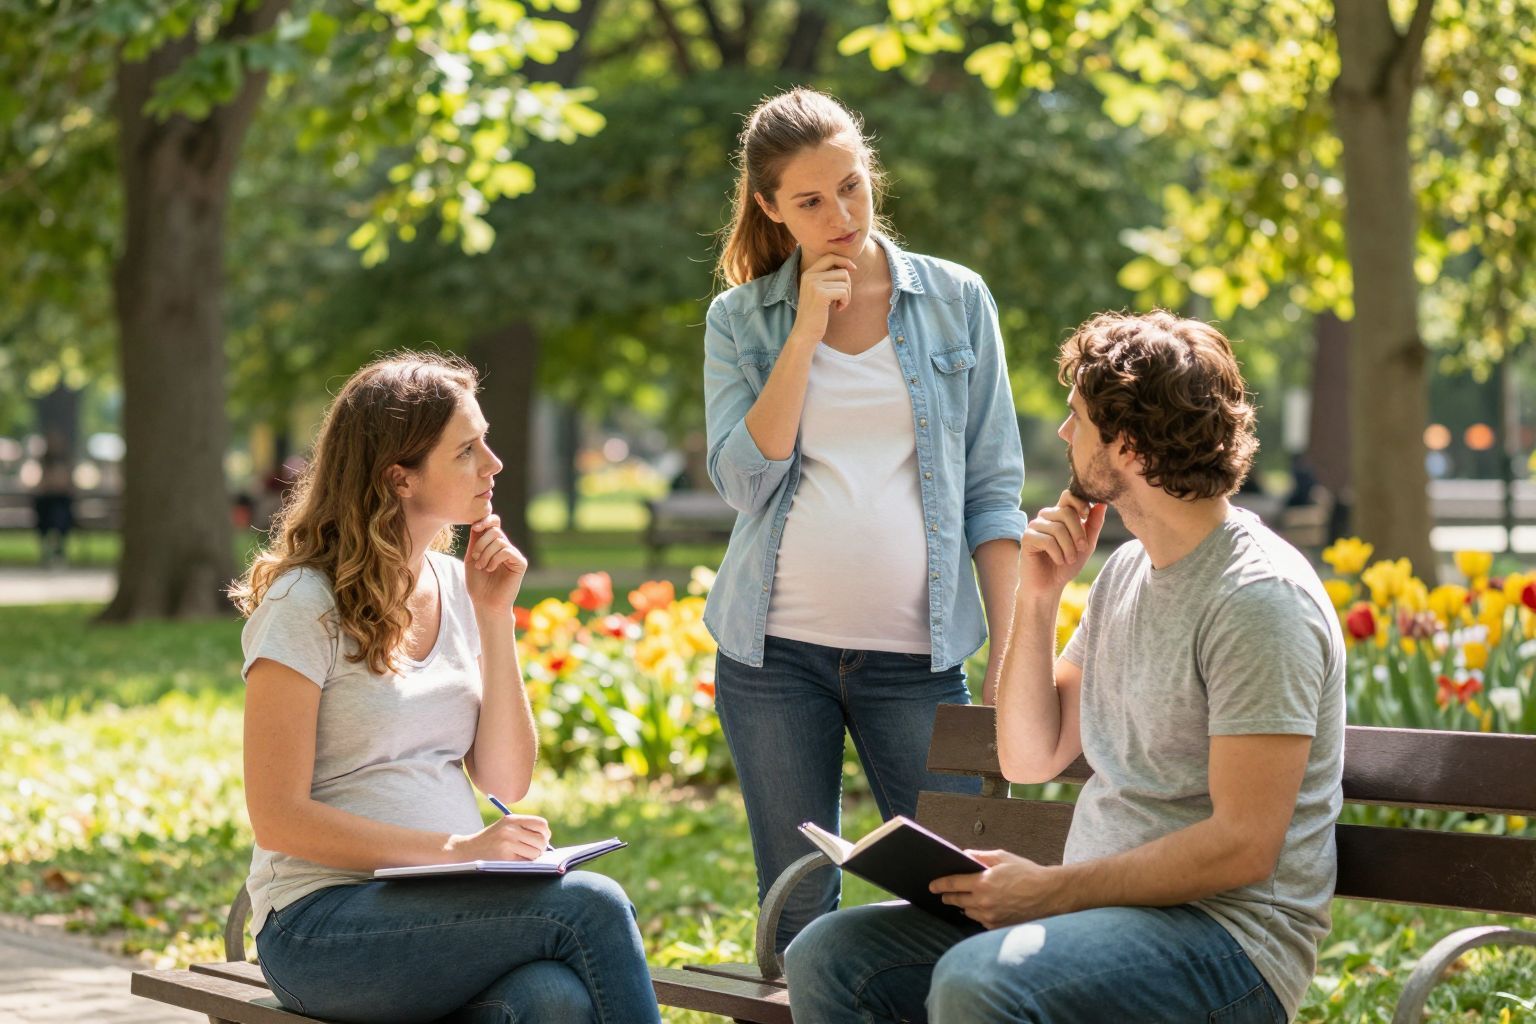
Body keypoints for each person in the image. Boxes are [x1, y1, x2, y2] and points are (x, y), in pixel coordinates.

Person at [785, 311, 1346, 1023]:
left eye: (1077, 417)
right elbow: (1028, 756)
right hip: (1095, 917)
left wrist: (1052, 891)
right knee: (832, 954)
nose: (1063, 433)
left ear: (1131, 446)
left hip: (1225, 946)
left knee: (983, 981)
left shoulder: (1258, 601)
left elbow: (1243, 847)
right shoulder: (1129, 573)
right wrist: (1039, 595)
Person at [229, 352, 661, 1024]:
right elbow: (277, 817)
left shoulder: (459, 588)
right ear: (399, 476)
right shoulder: (303, 604)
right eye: (467, 450)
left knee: (551, 1000)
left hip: (444, 909)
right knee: (593, 905)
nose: (493, 463)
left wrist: (495, 617)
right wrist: (460, 851)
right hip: (320, 927)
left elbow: (506, 778)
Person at [702, 87, 1028, 955]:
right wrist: (805, 330)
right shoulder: (742, 319)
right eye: (810, 201)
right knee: (797, 907)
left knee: (962, 900)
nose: (841, 214)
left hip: (919, 663)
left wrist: (1006, 654)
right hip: (773, 658)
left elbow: (994, 492)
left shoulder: (958, 301)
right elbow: (742, 479)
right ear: (770, 207)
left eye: (852, 185)